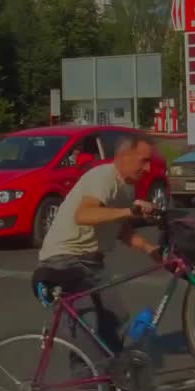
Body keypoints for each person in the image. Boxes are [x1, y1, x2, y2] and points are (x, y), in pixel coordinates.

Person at [33, 133, 163, 364]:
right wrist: (129, 211)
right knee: (87, 329)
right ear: (123, 156)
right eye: (143, 160)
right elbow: (84, 214)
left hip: (92, 263)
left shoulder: (127, 189)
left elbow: (119, 229)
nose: (148, 167)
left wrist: (149, 248)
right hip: (63, 260)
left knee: (116, 316)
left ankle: (112, 376)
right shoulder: (103, 176)